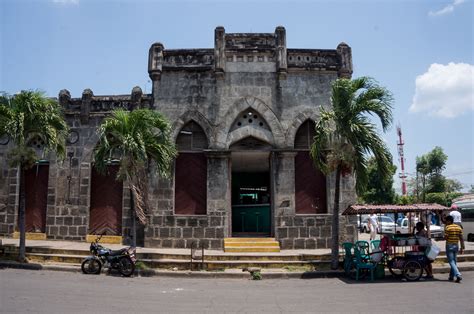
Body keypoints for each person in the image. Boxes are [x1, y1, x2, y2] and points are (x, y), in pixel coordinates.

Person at [444, 215, 465, 283]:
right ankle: (451, 276)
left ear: (449, 221)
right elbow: (461, 238)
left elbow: (446, 238)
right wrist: (462, 247)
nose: (446, 222)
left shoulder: (447, 227)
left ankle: (458, 274)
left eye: (446, 221)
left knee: (451, 261)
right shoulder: (458, 227)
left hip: (449, 245)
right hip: (456, 245)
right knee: (454, 261)